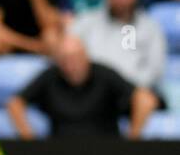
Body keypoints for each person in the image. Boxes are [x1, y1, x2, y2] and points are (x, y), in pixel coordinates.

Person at [8, 34, 157, 139]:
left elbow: (145, 99)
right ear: (58, 60)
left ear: (86, 55)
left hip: (107, 153)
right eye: (65, 58)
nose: (71, 64)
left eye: (75, 57)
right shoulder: (50, 76)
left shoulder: (104, 74)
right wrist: (29, 139)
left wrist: (133, 139)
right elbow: (15, 103)